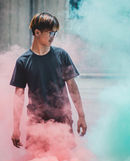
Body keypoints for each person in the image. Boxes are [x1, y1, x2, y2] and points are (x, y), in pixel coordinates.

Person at [10, 12, 87, 148]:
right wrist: (16, 128)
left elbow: (72, 88)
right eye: (50, 33)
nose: (53, 37)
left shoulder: (61, 55)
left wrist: (81, 116)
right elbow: (19, 97)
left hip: (62, 118)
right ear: (37, 32)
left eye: (54, 33)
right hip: (36, 120)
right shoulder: (23, 61)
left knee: (63, 160)